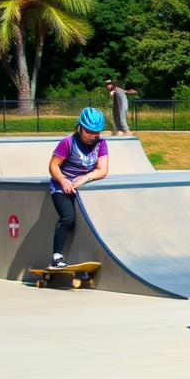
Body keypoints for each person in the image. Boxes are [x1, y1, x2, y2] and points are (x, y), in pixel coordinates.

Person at [46, 108, 110, 269]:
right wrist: (63, 180)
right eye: (89, 131)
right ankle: (56, 256)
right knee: (68, 218)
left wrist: (84, 178)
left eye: (96, 132)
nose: (92, 136)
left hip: (83, 187)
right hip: (61, 187)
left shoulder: (101, 144)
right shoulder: (68, 142)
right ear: (80, 127)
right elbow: (53, 165)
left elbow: (103, 169)